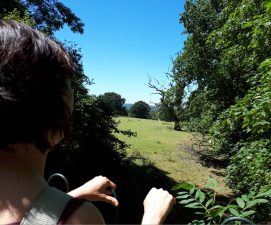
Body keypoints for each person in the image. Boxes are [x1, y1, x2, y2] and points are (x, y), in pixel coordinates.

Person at [0, 20, 175, 224]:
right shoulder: (83, 218)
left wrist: (71, 197)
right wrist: (153, 217)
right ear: (53, 114)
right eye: (69, 90)